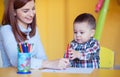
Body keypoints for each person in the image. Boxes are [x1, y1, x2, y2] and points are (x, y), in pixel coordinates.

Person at [0, 0, 69, 69]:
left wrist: (57, 64)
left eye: (33, 9)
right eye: (25, 11)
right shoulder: (6, 30)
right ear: (14, 12)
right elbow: (16, 60)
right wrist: (50, 64)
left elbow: (42, 57)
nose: (31, 14)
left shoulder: (34, 29)